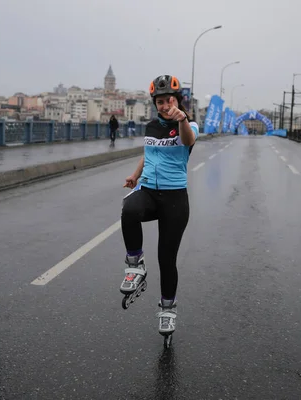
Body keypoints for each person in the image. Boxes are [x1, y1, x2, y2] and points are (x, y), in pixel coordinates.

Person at [119, 74, 199, 337]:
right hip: (150, 192)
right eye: (160, 102)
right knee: (129, 208)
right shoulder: (151, 126)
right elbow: (149, 153)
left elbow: (188, 142)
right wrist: (135, 175)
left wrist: (182, 120)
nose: (165, 105)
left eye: (169, 100)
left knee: (167, 259)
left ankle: (168, 308)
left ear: (178, 100)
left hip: (175, 200)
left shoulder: (189, 125)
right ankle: (136, 265)